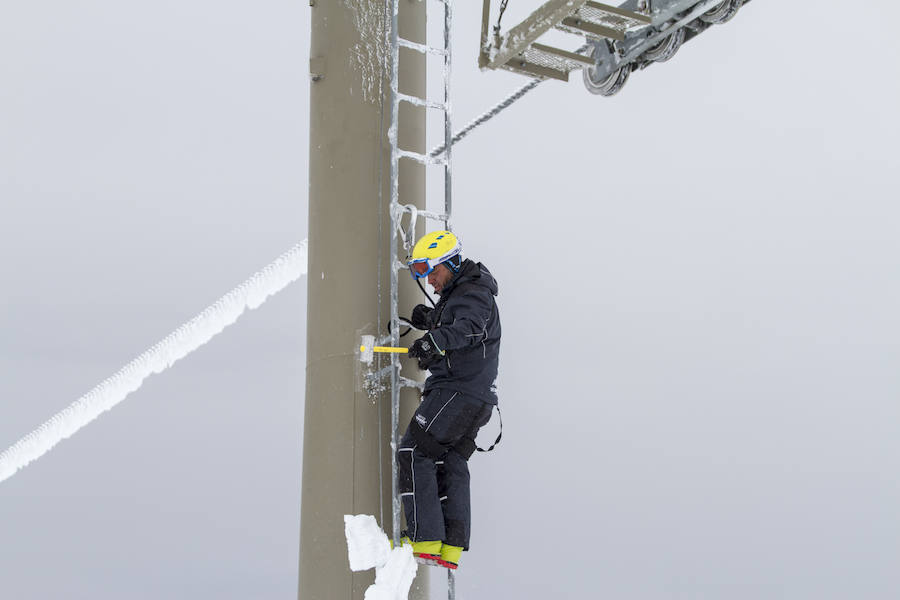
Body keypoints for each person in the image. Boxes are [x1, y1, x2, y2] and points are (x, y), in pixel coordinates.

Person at [398, 230, 501, 570]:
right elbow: (460, 323)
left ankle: (423, 538)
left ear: (451, 262)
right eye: (421, 273)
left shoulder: (473, 291)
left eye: (432, 271)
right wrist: (430, 321)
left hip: (456, 390)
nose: (429, 280)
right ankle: (449, 546)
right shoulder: (467, 292)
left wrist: (434, 341)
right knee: (451, 461)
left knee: (414, 451)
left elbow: (470, 327)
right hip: (476, 398)